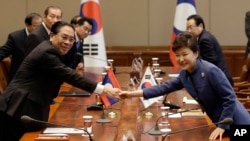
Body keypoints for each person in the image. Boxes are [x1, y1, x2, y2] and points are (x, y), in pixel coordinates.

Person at [0, 21, 121, 141]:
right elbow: (69, 76)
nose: (67, 42)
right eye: (64, 37)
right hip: (19, 107)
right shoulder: (46, 52)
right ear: (52, 36)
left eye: (71, 39)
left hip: (29, 105)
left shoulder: (50, 49)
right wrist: (104, 89)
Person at [119, 32, 250, 140]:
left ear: (196, 53)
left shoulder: (211, 71)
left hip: (238, 124)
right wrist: (131, 94)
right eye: (177, 55)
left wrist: (222, 126)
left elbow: (229, 98)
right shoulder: (185, 75)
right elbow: (162, 88)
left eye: (185, 54)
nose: (181, 59)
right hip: (218, 122)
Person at [186, 14, 234, 86]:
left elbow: (210, 62)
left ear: (200, 26)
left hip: (220, 81)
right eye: (187, 28)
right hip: (218, 78)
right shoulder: (204, 36)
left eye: (190, 27)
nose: (189, 31)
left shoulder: (205, 39)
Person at [0, 13, 42, 82]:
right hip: (19, 78)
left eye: (40, 26)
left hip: (38, 77)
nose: (38, 29)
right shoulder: (15, 37)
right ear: (27, 25)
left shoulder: (43, 36)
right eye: (35, 26)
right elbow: (2, 53)